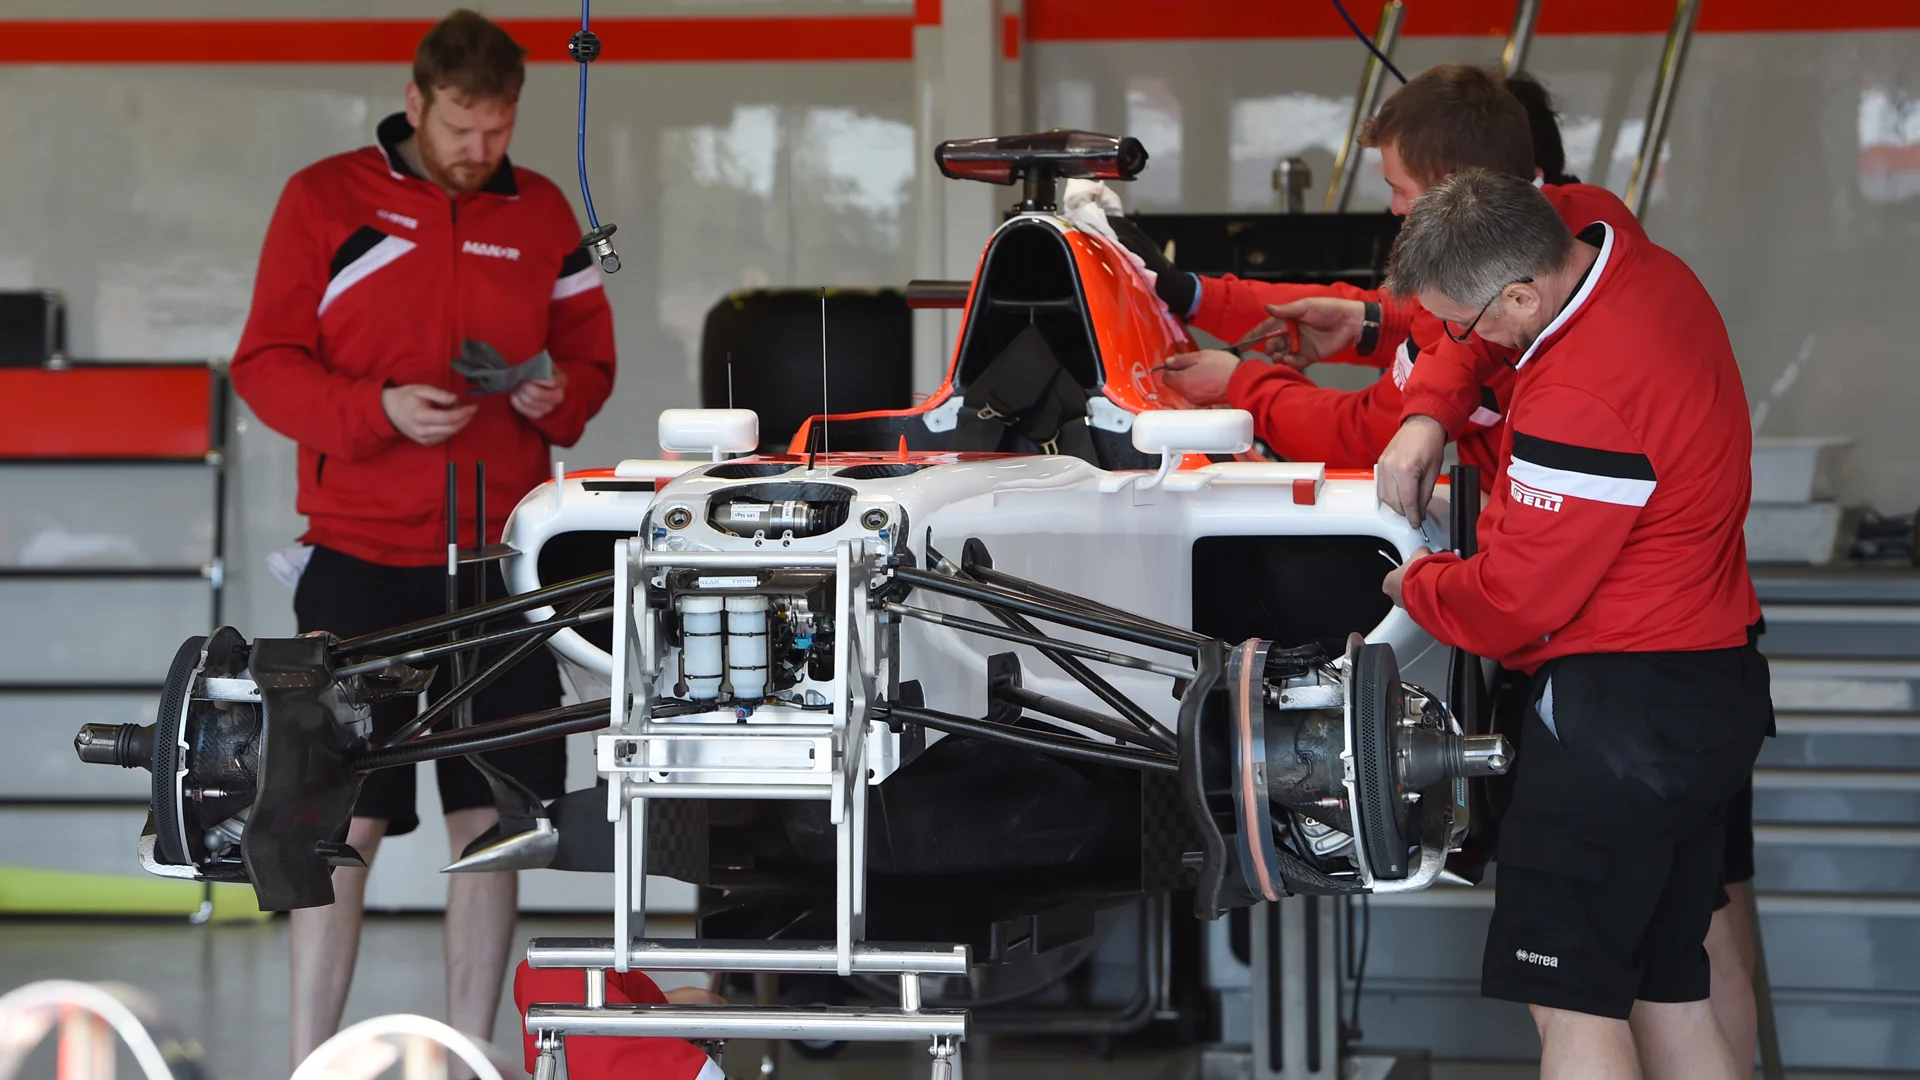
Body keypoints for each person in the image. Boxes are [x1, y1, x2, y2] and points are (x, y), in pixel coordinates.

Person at [229, 9, 616, 1068]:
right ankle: (314, 1055)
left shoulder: (543, 212)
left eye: (497, 128)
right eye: (461, 126)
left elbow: (590, 370)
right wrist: (377, 410)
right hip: (357, 553)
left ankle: (466, 1053)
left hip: (499, 563)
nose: (479, 151)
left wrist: (550, 395)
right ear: (416, 102)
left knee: (497, 814)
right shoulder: (324, 199)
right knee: (337, 821)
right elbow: (262, 363)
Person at [1378, 170, 1768, 1079]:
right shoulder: (1644, 267)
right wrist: (1433, 406)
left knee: (1574, 1006)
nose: (1473, 348)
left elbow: (1515, 601)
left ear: (1523, 291)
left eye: (1469, 327)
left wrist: (1418, 584)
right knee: (1672, 991)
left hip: (1615, 721)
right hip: (1708, 690)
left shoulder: (1581, 392)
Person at [1139, 65, 1638, 488]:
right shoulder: (1576, 217)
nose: (1395, 208)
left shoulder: (1503, 298)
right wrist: (1367, 322)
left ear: (1454, 192)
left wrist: (1241, 383)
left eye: (1399, 189)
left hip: (1518, 544)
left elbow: (1360, 436)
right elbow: (1429, 324)